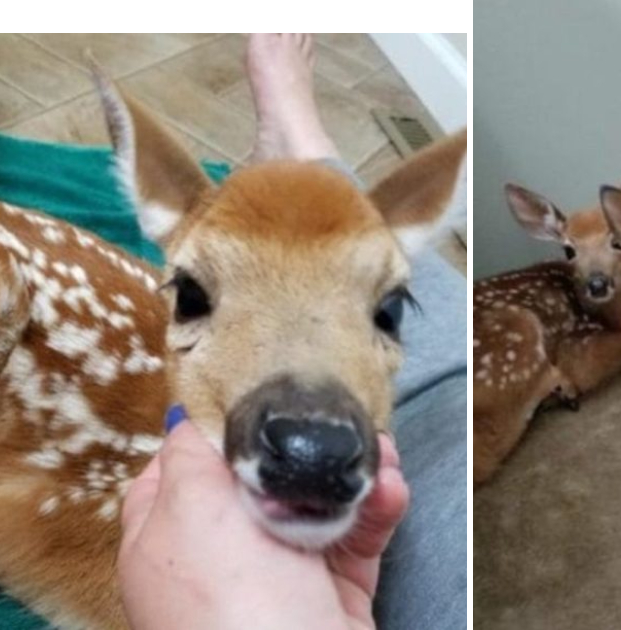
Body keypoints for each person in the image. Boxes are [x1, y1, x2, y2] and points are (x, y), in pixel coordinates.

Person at [117, 34, 468, 629]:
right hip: (444, 412)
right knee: (453, 355)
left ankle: (300, 143)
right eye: (197, 297)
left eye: (385, 315)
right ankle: (305, 144)